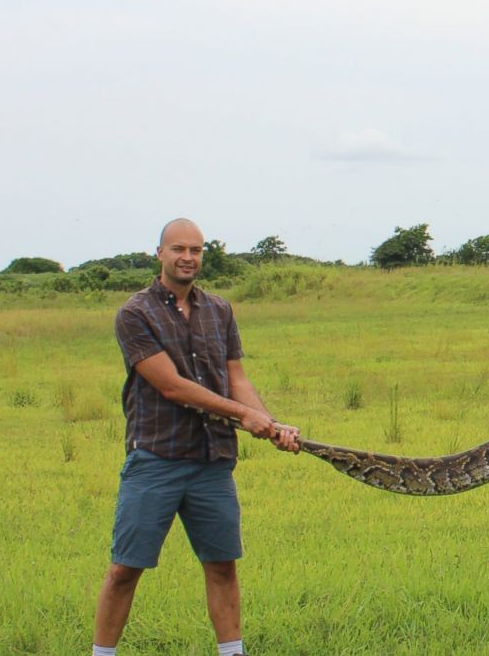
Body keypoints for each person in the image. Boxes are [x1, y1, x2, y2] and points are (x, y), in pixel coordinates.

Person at [93, 219, 300, 656]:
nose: (188, 257)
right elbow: (171, 386)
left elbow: (235, 377)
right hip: (156, 457)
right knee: (125, 568)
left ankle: (232, 652)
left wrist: (271, 422)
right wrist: (245, 415)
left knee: (222, 564)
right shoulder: (135, 314)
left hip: (213, 459)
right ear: (160, 254)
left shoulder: (219, 310)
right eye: (179, 249)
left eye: (197, 250)